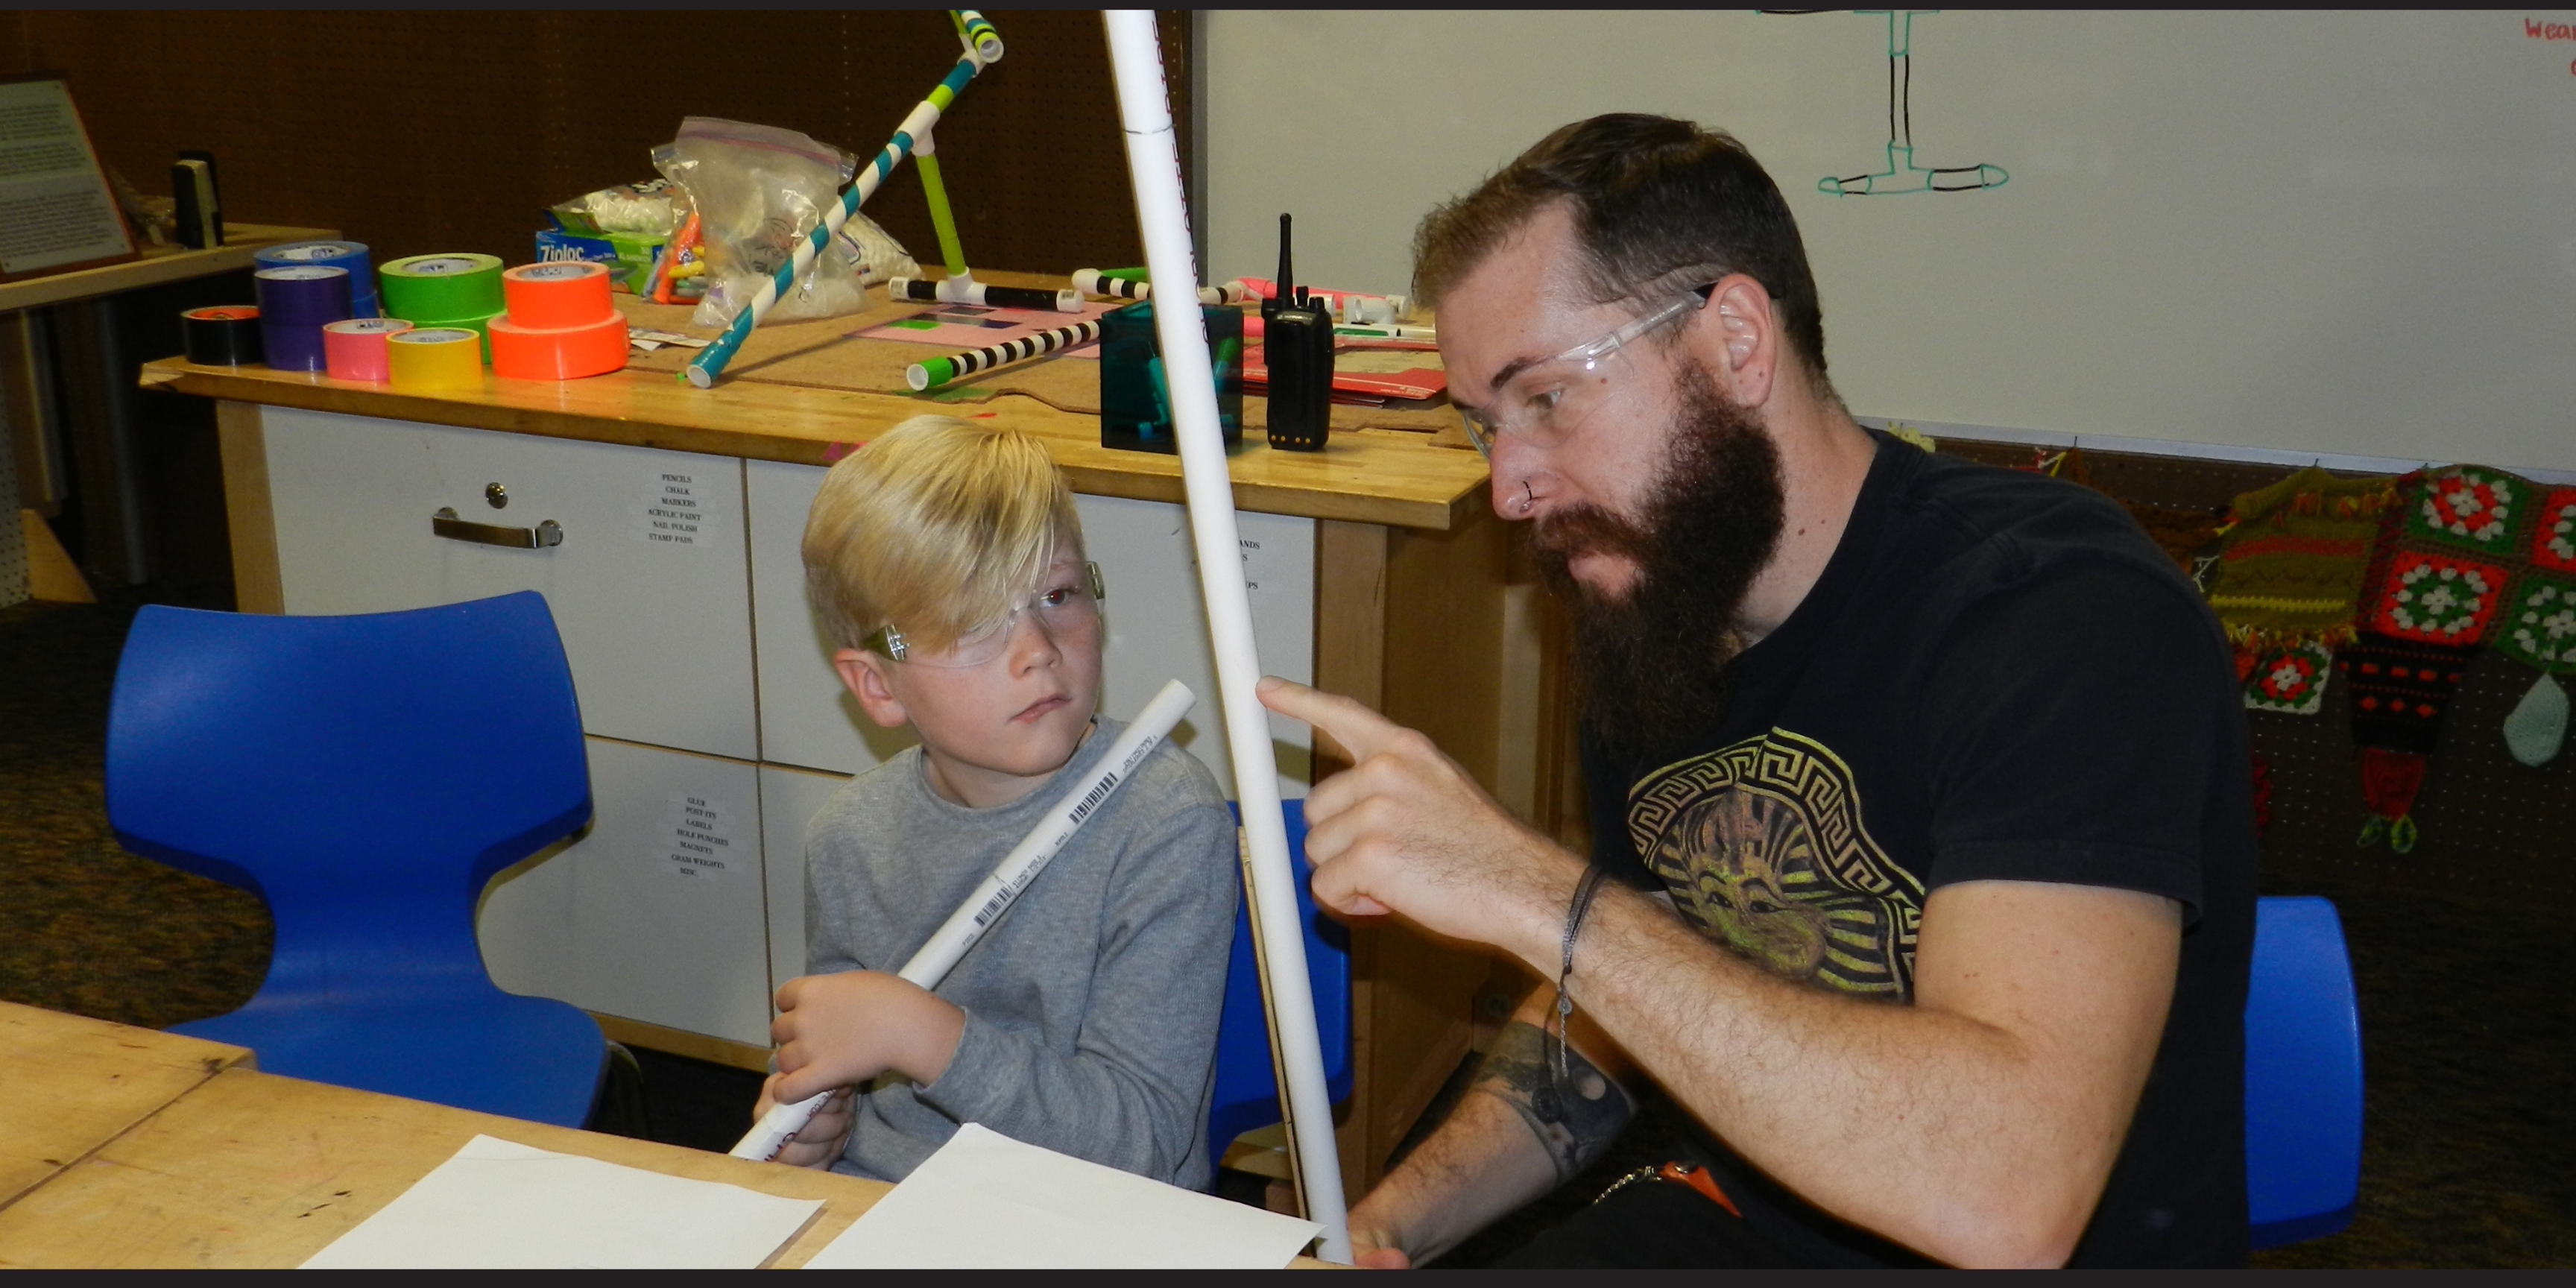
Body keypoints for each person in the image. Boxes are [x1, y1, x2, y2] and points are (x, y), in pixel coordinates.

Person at [1258, 114, 2255, 1267]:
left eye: (1545, 399)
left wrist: (1530, 890)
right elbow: (1637, 978)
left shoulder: (2061, 618)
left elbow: (2005, 1198)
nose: (1509, 488)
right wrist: (1387, 1225)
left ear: (1735, 341)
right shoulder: (1661, 612)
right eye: (1485, 425)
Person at [757, 414, 1240, 1189]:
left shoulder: (1165, 819)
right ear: (879, 685)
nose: (1038, 651)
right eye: (973, 621)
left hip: (1098, 1226)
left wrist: (920, 1034)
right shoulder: (850, 838)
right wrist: (811, 1127)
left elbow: (1140, 1144)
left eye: (1058, 594)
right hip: (894, 1203)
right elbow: (838, 1055)